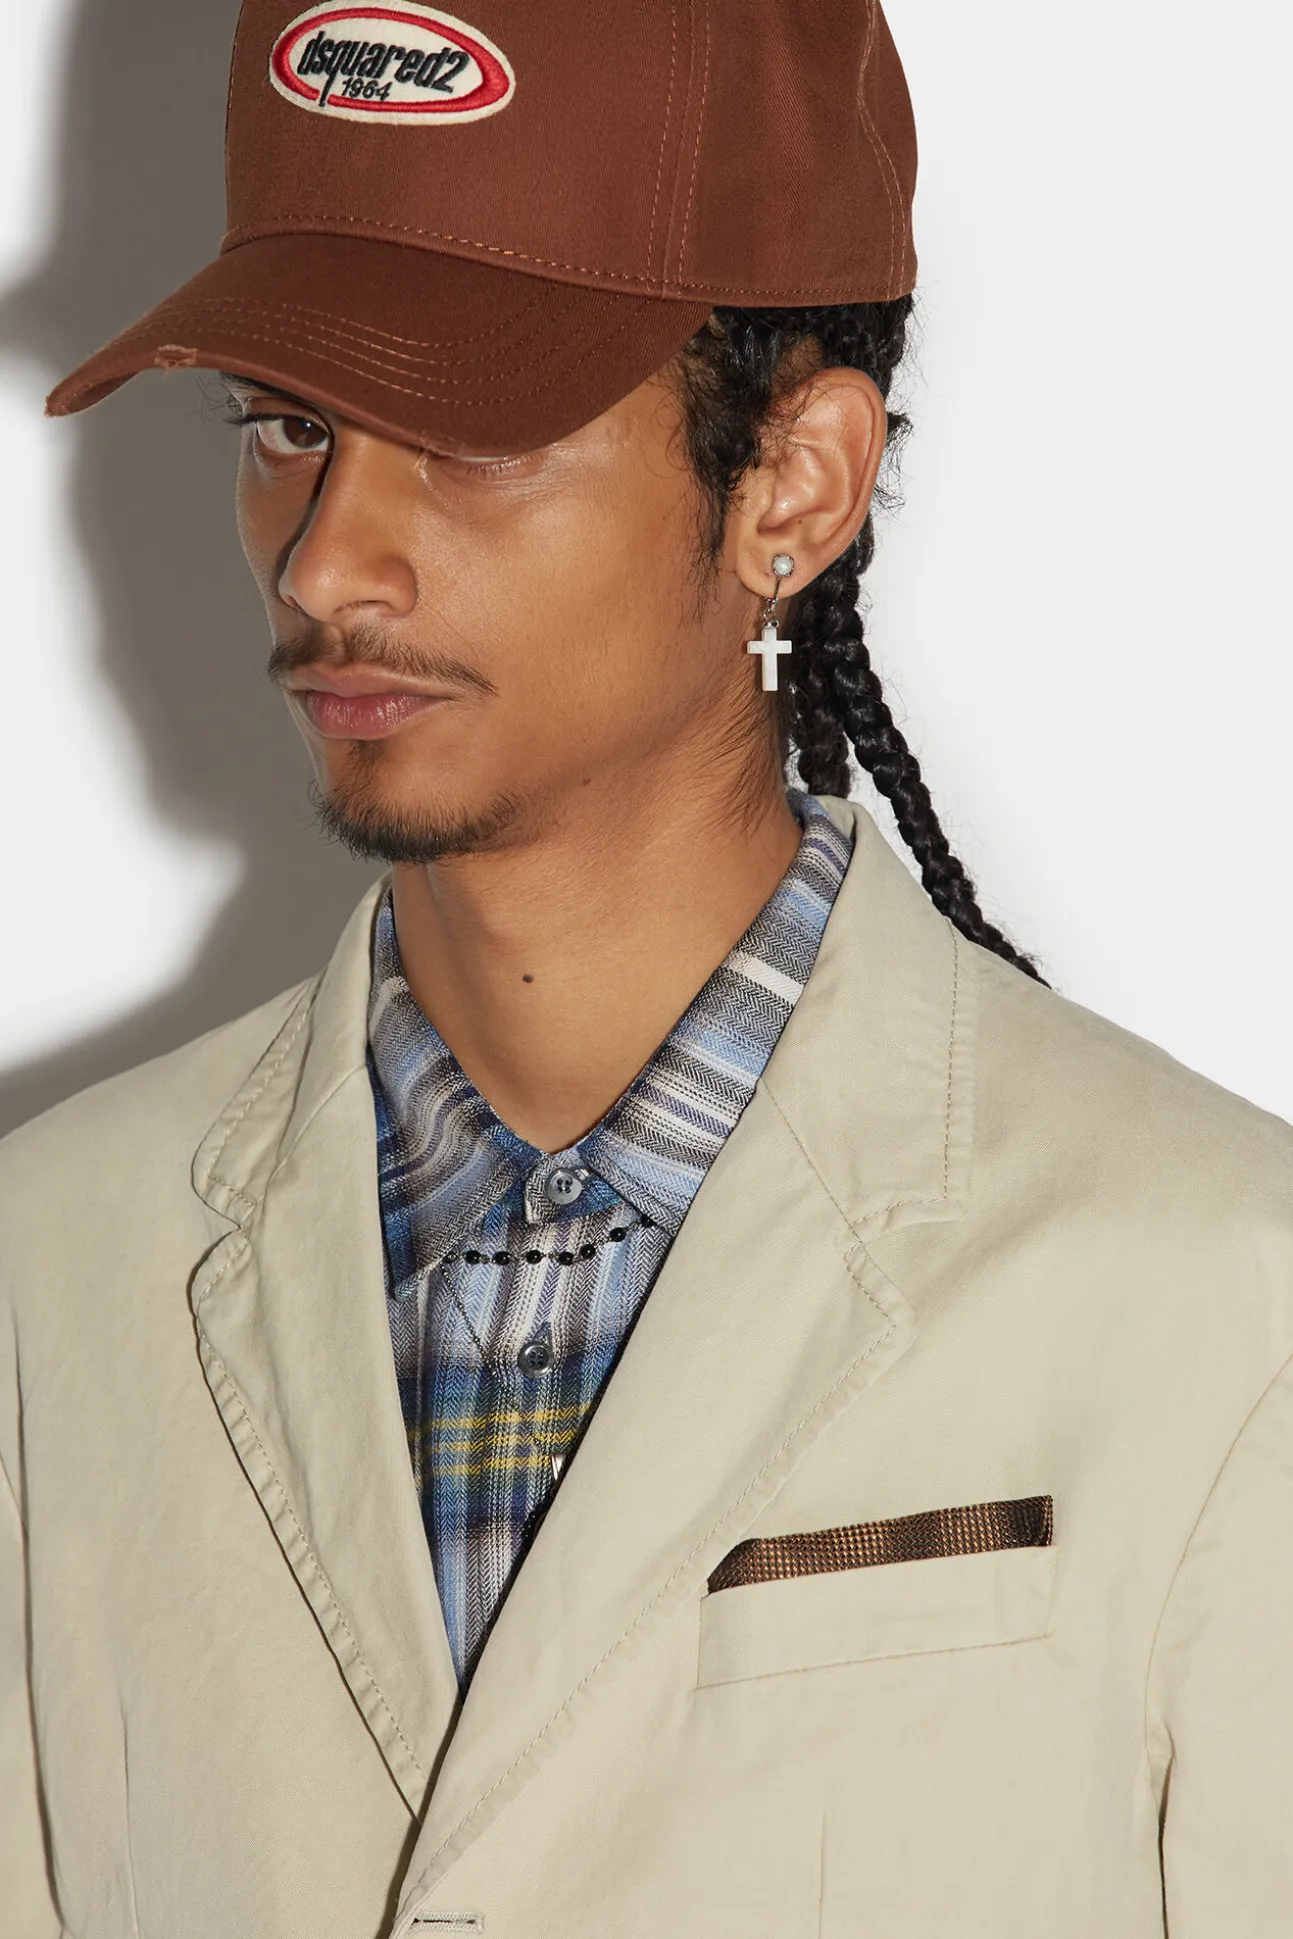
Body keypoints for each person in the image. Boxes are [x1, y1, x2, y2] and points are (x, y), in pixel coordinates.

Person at [4, 1, 1292, 1933]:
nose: (326, 562)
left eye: (471, 432)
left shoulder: (1223, 1305)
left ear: (795, 485)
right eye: (289, 422)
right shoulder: (45, 1283)